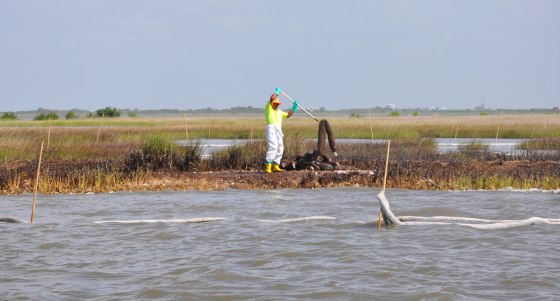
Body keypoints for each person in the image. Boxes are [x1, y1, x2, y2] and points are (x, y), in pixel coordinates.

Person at [264, 90, 298, 173]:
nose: (276, 105)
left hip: (278, 129)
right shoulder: (268, 108)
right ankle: (268, 165)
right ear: (272, 103)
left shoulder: (279, 112)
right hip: (271, 128)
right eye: (275, 103)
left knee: (280, 146)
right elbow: (272, 97)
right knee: (273, 146)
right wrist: (277, 93)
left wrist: (294, 108)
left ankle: (276, 165)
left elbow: (288, 115)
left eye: (277, 104)